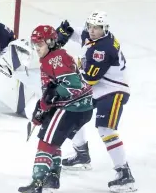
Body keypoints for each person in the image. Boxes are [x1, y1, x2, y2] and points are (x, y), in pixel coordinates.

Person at [56, 11, 136, 192]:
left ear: (104, 29)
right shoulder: (94, 35)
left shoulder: (103, 50)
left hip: (113, 90)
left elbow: (88, 79)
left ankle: (124, 174)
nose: (92, 31)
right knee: (73, 111)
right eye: (90, 26)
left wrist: (63, 74)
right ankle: (81, 154)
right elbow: (76, 32)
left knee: (105, 129)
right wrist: (63, 32)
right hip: (99, 88)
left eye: (97, 28)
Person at [18, 25, 93, 193]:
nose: (37, 48)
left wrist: (50, 98)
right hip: (79, 106)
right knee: (53, 137)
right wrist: (43, 106)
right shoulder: (52, 57)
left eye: (41, 44)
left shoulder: (55, 58)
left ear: (51, 42)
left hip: (73, 106)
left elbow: (72, 85)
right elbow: (52, 90)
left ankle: (38, 182)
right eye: (35, 44)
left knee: (46, 141)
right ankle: (52, 180)